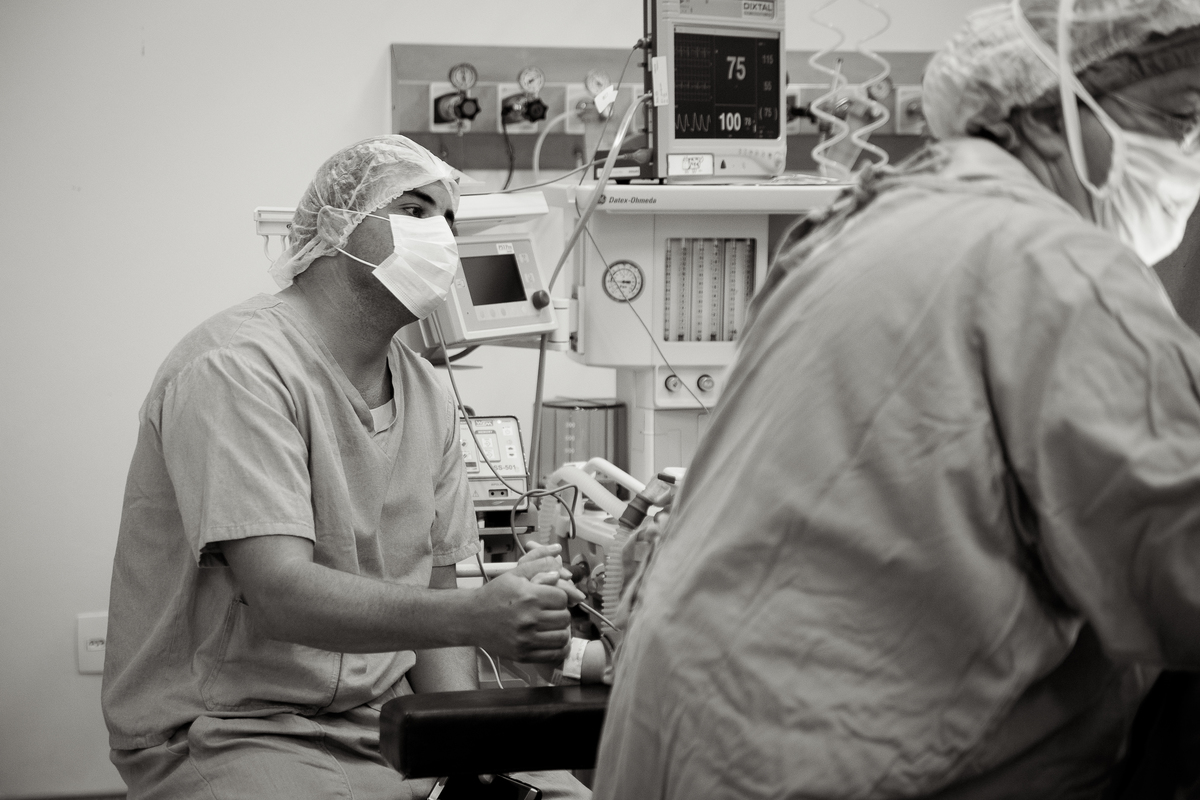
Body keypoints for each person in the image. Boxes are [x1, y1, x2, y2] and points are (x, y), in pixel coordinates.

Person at [593, 1, 1200, 797]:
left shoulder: (857, 226)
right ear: (1047, 115)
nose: (1187, 154)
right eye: (1177, 116)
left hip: (697, 744)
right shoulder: (1065, 270)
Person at [102, 136, 589, 799]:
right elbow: (279, 595)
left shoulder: (427, 392)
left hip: (383, 723)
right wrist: (481, 617)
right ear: (335, 226)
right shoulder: (236, 370)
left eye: (449, 220)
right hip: (230, 728)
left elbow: (436, 588)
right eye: (415, 209)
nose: (441, 237)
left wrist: (467, 748)